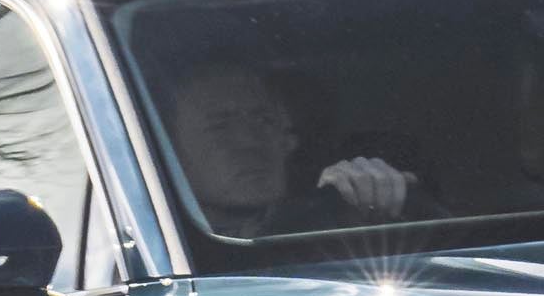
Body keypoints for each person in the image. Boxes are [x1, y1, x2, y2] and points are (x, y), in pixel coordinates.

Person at [160, 60, 423, 236]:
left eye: (264, 120)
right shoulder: (158, 250)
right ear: (171, 153)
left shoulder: (336, 220)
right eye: (220, 127)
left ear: (289, 140)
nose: (251, 141)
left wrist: (369, 203)